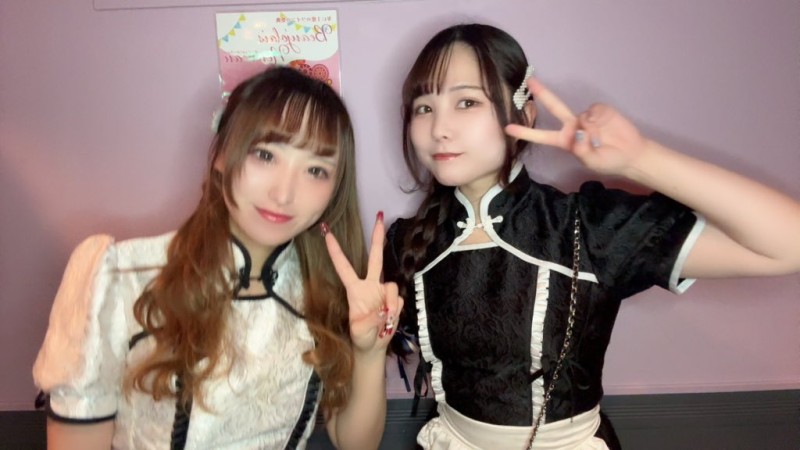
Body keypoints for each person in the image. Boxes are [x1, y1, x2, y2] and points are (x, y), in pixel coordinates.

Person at [384, 23, 800, 449]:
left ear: (524, 113)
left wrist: (640, 159)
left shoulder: (587, 226)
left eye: (467, 102)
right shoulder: (405, 242)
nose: (440, 128)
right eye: (424, 107)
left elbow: (788, 246)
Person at [33, 66, 402, 450]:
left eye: (315, 170)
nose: (284, 194)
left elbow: (356, 444)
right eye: (265, 155)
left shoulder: (324, 288)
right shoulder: (123, 276)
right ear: (222, 156)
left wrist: (369, 352)